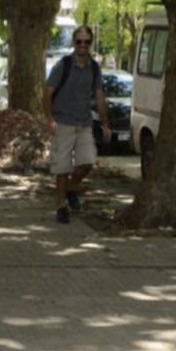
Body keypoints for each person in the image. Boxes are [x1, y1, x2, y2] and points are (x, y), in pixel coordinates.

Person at [44, 26, 110, 224]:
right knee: (62, 167)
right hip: (63, 122)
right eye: (79, 41)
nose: (83, 45)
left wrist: (106, 124)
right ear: (74, 43)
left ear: (91, 44)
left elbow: (99, 96)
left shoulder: (94, 67)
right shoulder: (62, 65)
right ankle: (61, 206)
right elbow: (47, 93)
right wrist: (50, 118)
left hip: (84, 123)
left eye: (87, 42)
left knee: (87, 162)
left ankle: (72, 189)